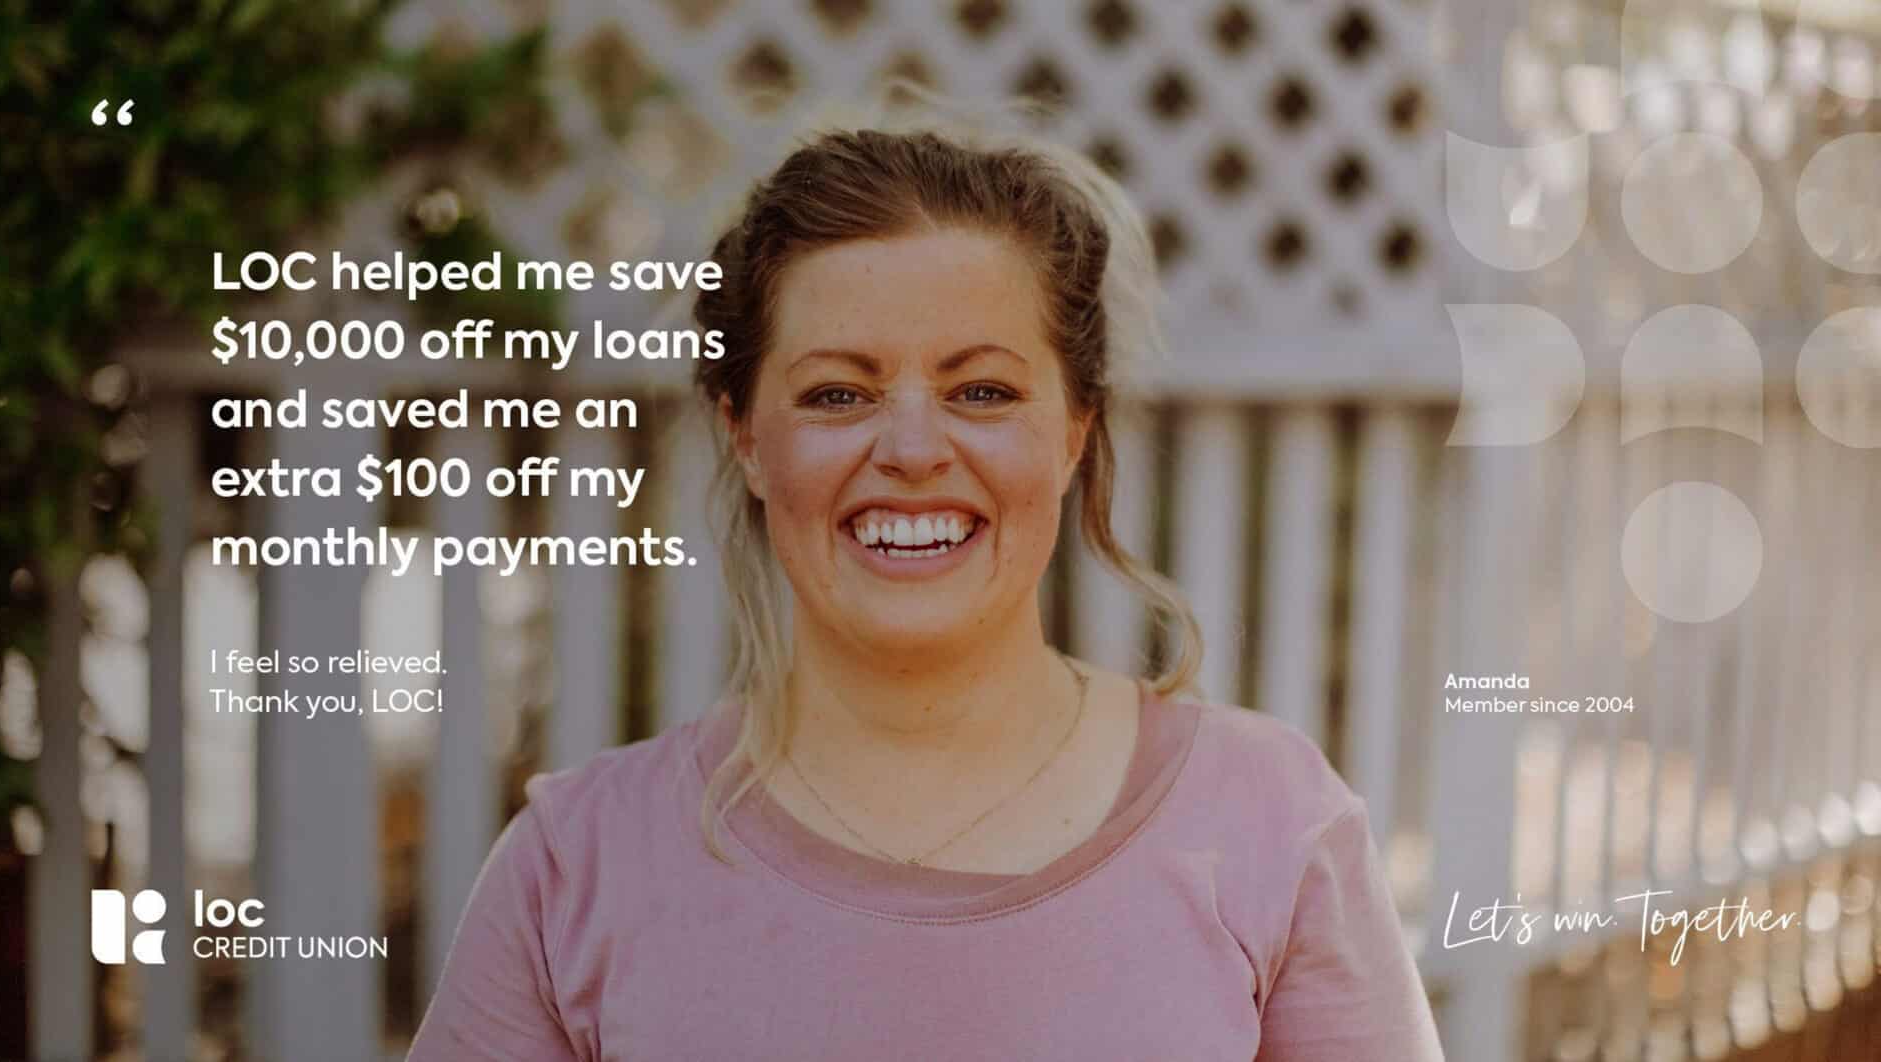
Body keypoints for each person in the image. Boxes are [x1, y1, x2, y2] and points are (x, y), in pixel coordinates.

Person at [408, 110, 1446, 1060]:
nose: (911, 449)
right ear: (747, 438)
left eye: (982, 390)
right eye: (837, 394)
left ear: (1074, 433)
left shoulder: (1271, 826)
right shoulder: (573, 869)